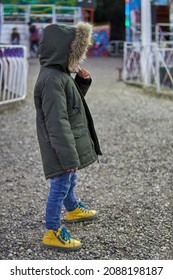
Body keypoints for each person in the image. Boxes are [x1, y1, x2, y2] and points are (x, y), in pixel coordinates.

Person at [34, 22, 102, 251]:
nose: (79, 57)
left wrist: (81, 84)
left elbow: (70, 106)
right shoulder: (52, 79)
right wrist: (68, 157)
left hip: (63, 144)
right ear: (63, 52)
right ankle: (52, 231)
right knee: (60, 183)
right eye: (76, 52)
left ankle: (72, 209)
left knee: (69, 180)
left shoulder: (59, 75)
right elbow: (57, 122)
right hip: (59, 145)